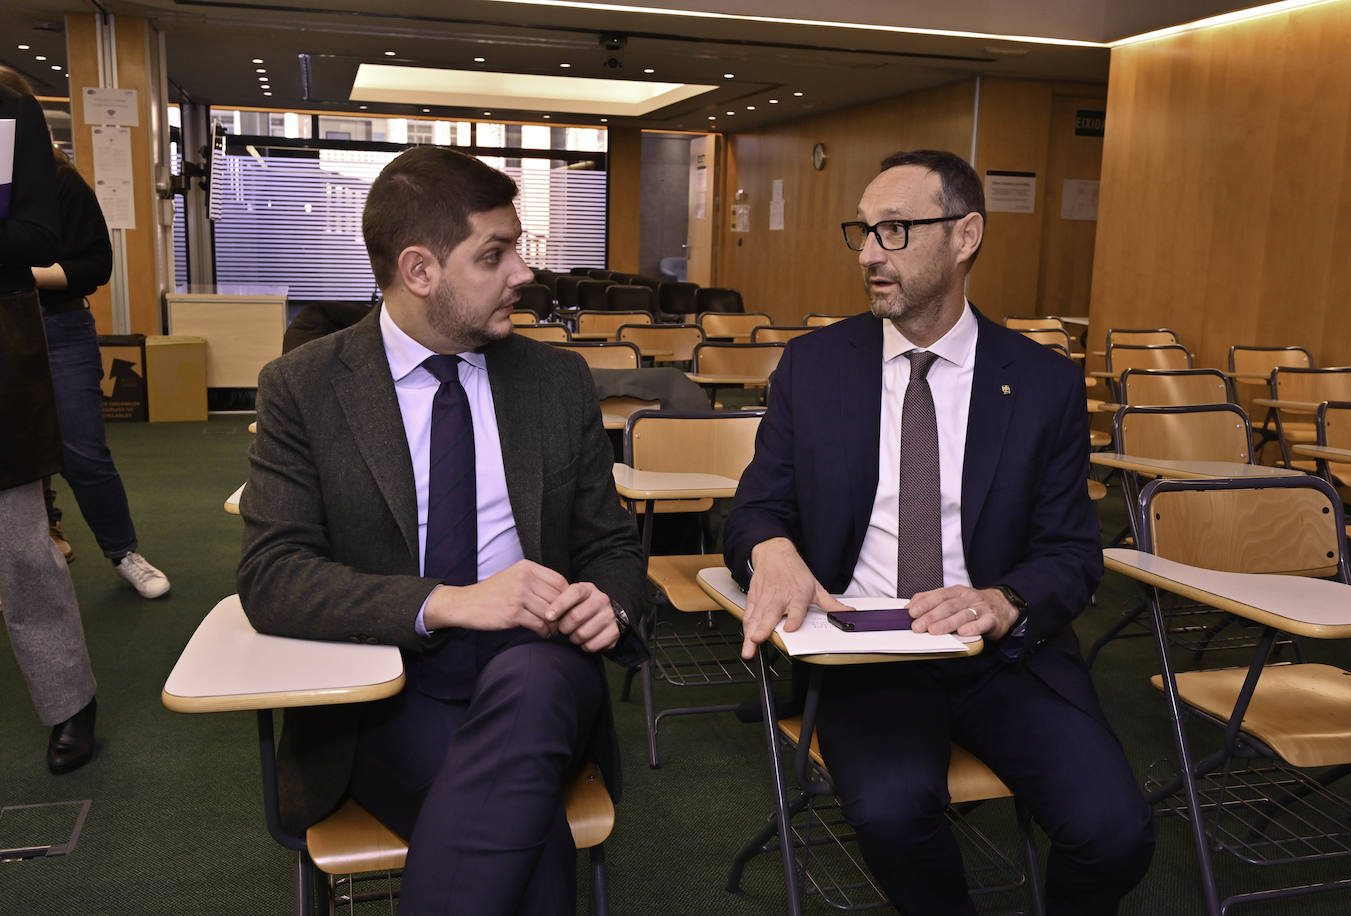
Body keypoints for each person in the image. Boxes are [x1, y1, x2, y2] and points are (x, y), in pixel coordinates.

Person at [723, 150, 1154, 915]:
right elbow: (756, 507)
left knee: (1116, 833)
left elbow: (1071, 552)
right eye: (863, 231)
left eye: (894, 231)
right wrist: (773, 551)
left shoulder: (1043, 384)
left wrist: (1003, 600)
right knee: (893, 813)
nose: (867, 253)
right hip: (869, 649)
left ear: (965, 237)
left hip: (1003, 655)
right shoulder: (815, 367)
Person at [237, 146, 646, 914]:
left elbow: (611, 547)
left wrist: (608, 602)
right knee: (529, 846)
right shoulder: (304, 387)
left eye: (517, 247)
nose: (523, 273)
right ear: (419, 270)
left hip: (540, 663)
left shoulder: (555, 381)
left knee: (532, 682)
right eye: (494, 255)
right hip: (391, 687)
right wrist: (450, 602)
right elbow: (273, 575)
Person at [21, 113, 170, 597]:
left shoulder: (60, 183)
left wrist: (20, 275)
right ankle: (32, 548)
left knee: (83, 451)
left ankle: (124, 552)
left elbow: (93, 266)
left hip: (57, 326)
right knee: (14, 456)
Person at [0, 72, 99, 774]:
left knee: (20, 550)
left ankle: (70, 701)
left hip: (5, 351)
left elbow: (36, 237)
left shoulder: (7, 109)